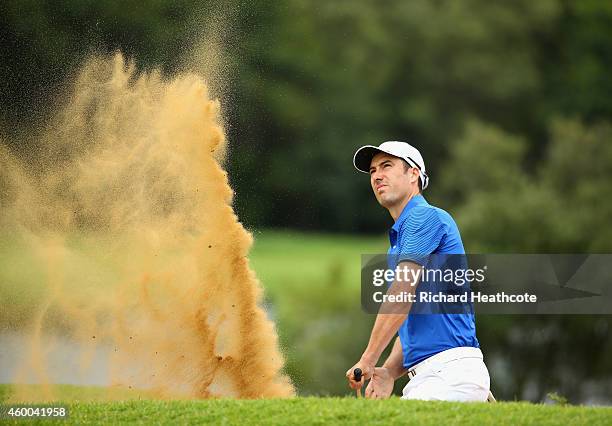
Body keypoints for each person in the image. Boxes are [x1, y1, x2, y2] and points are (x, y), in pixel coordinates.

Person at [345, 141, 492, 401]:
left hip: (450, 373)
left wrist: (368, 358)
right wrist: (389, 371)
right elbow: (413, 315)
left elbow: (400, 294)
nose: (377, 175)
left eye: (387, 166)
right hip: (431, 376)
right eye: (373, 171)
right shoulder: (402, 239)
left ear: (413, 174)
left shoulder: (424, 217)